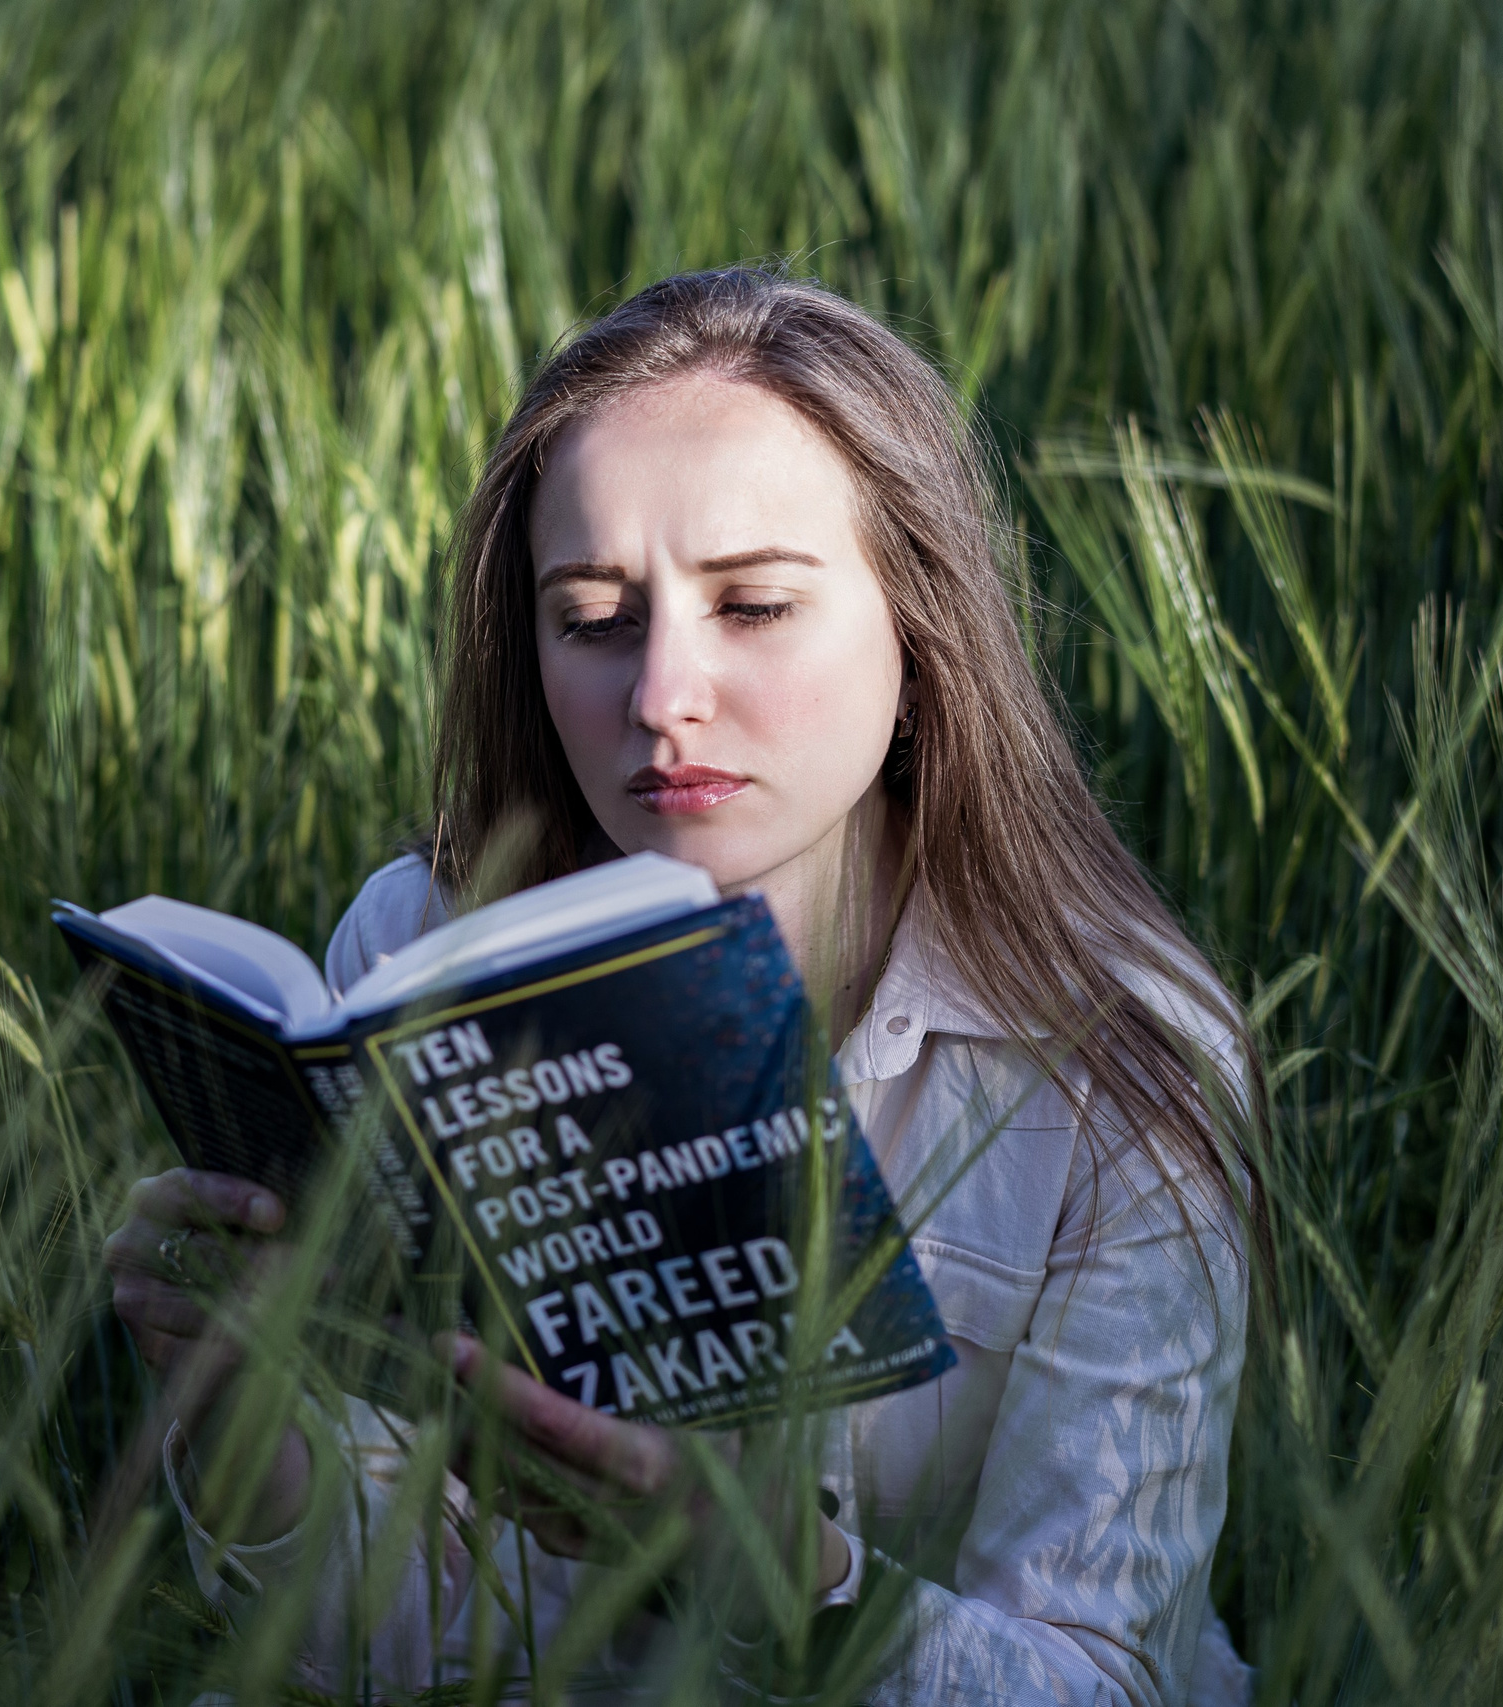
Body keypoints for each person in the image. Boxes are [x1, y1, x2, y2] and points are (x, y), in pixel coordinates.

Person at [105, 267, 1262, 1706]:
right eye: (593, 618)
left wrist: (777, 1571)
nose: (662, 696)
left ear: (921, 618)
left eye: (756, 606)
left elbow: (1103, 1687)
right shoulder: (421, 948)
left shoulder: (1114, 1057)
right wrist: (232, 1405)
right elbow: (400, 1646)